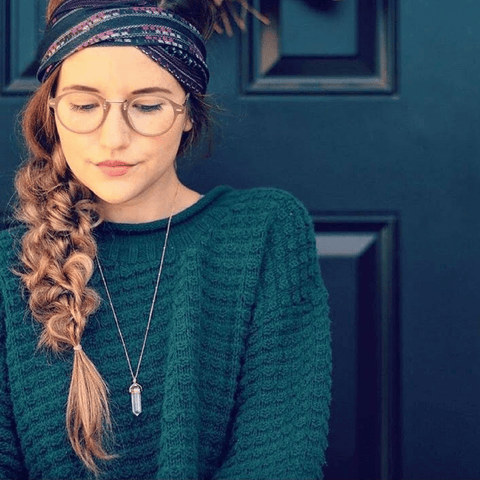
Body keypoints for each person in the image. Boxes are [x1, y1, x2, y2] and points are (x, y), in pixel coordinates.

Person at [0, 0, 332, 478]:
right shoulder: (13, 265)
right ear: (53, 110)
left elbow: (279, 459)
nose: (113, 137)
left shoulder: (264, 234)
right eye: (85, 105)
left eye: (149, 105)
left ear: (189, 114)